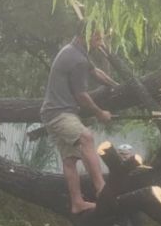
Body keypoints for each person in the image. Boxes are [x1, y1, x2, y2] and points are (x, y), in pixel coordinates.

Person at [40, 24, 119, 214]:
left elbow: (96, 72)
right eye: (98, 38)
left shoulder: (75, 51)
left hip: (52, 113)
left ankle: (77, 203)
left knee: (70, 160)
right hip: (60, 114)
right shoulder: (77, 59)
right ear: (88, 35)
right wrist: (100, 113)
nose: (100, 43)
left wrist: (116, 85)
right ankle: (101, 187)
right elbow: (81, 96)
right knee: (86, 137)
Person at [115, 144, 146, 226]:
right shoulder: (115, 166)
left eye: (126, 154)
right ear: (118, 155)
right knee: (121, 224)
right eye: (122, 154)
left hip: (134, 199)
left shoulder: (137, 167)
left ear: (131, 154)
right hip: (121, 200)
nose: (124, 156)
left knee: (138, 223)